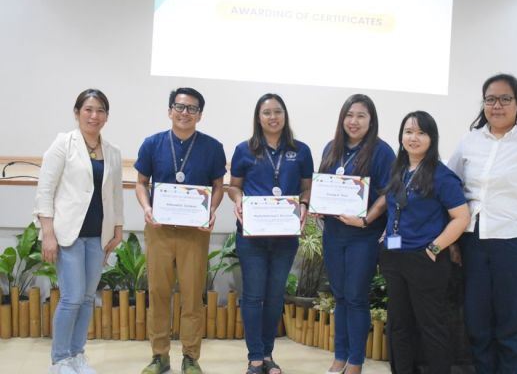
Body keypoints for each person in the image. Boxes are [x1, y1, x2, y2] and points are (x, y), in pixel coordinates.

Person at [448, 73, 517, 374]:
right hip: (475, 244)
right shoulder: (470, 141)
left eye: (504, 99)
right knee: (478, 323)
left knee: (513, 326)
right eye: (490, 99)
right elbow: (450, 188)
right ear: (483, 104)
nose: (497, 105)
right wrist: (456, 242)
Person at [347, 111, 470, 373]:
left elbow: (461, 217)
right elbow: (389, 205)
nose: (413, 138)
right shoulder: (399, 170)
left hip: (425, 260)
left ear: (432, 138)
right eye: (408, 132)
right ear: (401, 136)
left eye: (421, 132)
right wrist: (369, 223)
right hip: (394, 257)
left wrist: (435, 247)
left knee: (431, 326)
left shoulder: (441, 175)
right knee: (399, 326)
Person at [134, 87, 227, 374]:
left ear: (200, 114)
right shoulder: (152, 143)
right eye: (180, 107)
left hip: (194, 232)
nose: (185, 113)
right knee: (159, 293)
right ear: (170, 110)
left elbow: (218, 186)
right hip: (160, 230)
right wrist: (147, 208)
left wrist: (211, 210)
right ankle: (159, 355)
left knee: (191, 295)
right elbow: (140, 183)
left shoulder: (212, 147)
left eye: (192, 108)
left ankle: (190, 356)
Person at [34, 89, 124, 374]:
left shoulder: (112, 152)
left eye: (100, 110)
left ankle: (76, 354)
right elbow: (45, 190)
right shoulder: (63, 144)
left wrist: (118, 229)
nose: (94, 115)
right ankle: (59, 360)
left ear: (106, 117)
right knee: (72, 297)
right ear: (77, 113)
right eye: (88, 109)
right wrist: (47, 233)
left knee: (87, 298)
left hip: (98, 235)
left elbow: (116, 195)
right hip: (67, 234)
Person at [228, 93, 313, 374]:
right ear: (258, 118)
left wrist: (303, 205)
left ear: (285, 115)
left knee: (275, 296)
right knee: (253, 295)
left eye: (278, 112)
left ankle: (267, 355)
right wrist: (238, 200)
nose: (273, 117)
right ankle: (254, 357)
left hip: (285, 237)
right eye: (266, 113)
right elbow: (234, 186)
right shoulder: (244, 149)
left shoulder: (300, 151)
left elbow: (307, 187)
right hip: (252, 236)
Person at [319, 94, 395, 374]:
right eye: (349, 115)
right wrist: (318, 206)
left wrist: (366, 220)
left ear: (371, 120)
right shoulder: (331, 148)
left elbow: (388, 193)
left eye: (361, 116)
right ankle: (339, 355)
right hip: (334, 234)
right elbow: (323, 185)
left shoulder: (382, 151)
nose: (354, 121)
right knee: (339, 296)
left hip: (363, 235)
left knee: (356, 297)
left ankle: (355, 361)